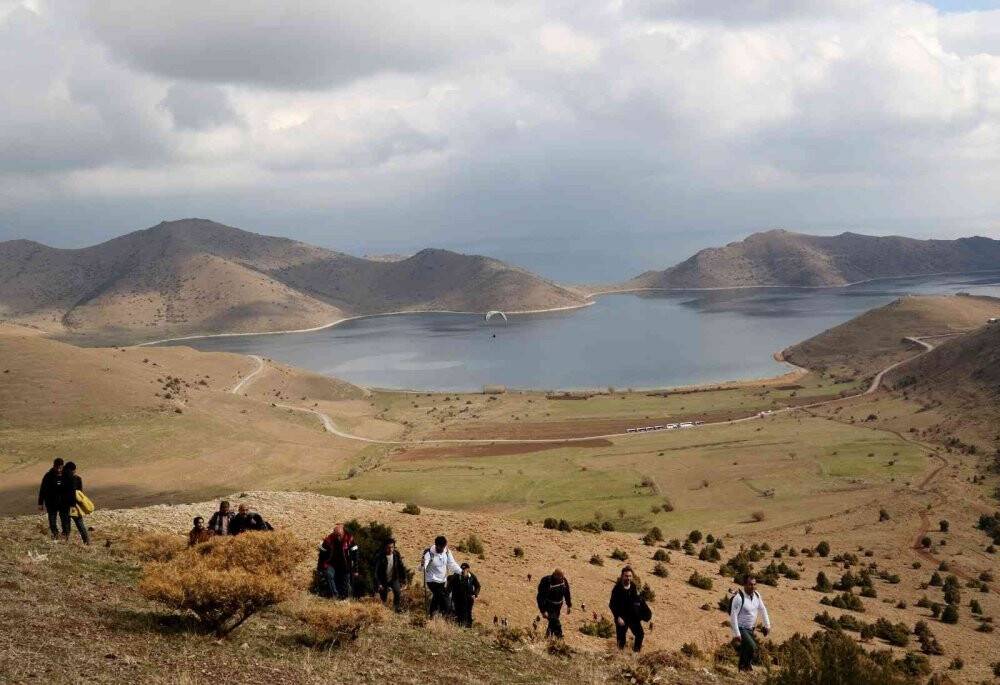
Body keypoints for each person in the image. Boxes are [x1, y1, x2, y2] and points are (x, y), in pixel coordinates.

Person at [729, 573, 771, 672]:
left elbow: (762, 609)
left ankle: (741, 669)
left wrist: (767, 625)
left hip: (750, 628)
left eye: (754, 584)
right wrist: (737, 634)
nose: (753, 587)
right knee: (752, 646)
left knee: (745, 649)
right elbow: (733, 616)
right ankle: (747, 666)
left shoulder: (757, 595)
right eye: (750, 584)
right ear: (744, 584)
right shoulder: (738, 598)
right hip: (741, 627)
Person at [609, 566, 649, 652]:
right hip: (621, 617)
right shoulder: (617, 589)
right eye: (626, 576)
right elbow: (612, 604)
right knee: (621, 640)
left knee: (640, 634)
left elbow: (638, 601)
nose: (628, 578)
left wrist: (643, 614)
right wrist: (618, 617)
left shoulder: (633, 587)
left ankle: (636, 654)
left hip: (632, 617)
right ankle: (619, 657)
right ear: (622, 576)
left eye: (630, 576)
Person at [421, 535, 461, 618]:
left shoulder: (447, 552)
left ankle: (433, 615)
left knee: (437, 597)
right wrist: (423, 564)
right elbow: (423, 567)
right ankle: (443, 615)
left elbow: (452, 564)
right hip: (431, 580)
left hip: (442, 581)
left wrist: (461, 571)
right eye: (441, 547)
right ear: (436, 545)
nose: (442, 549)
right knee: (443, 597)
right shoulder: (429, 553)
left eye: (444, 547)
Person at [319, 524, 359, 599]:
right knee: (329, 574)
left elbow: (355, 555)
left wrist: (356, 570)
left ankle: (344, 598)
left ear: (343, 533)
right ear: (333, 533)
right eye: (336, 535)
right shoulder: (328, 540)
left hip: (345, 565)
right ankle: (335, 595)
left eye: (339, 535)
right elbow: (322, 555)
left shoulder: (350, 539)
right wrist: (320, 568)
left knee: (346, 587)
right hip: (332, 564)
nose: (338, 537)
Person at [373, 538, 408, 612]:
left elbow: (401, 567)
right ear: (385, 547)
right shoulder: (380, 557)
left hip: (393, 578)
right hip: (383, 580)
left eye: (392, 547)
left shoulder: (396, 554)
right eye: (388, 547)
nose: (390, 549)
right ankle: (383, 611)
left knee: (397, 592)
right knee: (384, 596)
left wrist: (404, 578)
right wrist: (379, 584)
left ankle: (396, 608)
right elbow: (375, 572)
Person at [536, 569, 572, 639]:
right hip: (549, 605)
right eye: (560, 577)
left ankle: (547, 638)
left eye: (562, 576)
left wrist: (569, 605)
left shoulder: (564, 581)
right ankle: (559, 638)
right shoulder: (547, 581)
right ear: (555, 575)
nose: (562, 578)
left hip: (558, 606)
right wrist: (543, 611)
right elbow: (540, 597)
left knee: (552, 623)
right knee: (556, 622)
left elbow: (567, 593)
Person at [37, 458, 68, 540]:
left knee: (64, 519)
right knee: (52, 520)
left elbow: (72, 489)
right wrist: (40, 503)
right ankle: (55, 534)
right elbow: (42, 490)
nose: (58, 469)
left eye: (60, 467)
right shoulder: (48, 476)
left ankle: (65, 534)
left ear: (63, 466)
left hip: (63, 502)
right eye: (57, 467)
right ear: (54, 466)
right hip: (51, 502)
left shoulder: (67, 475)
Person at [59, 462, 89, 544]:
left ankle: (65, 544)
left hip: (63, 506)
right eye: (74, 470)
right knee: (80, 525)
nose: (75, 471)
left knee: (66, 528)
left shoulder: (61, 478)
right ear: (73, 470)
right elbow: (80, 494)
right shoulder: (78, 479)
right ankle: (87, 543)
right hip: (74, 506)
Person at [448, 562, 481, 627]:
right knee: (459, 612)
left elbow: (478, 586)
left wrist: (475, 594)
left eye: (465, 569)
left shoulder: (471, 576)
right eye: (462, 569)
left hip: (469, 597)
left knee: (468, 612)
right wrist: (448, 594)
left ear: (468, 569)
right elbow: (450, 585)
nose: (463, 570)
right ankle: (459, 626)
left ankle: (468, 627)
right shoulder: (456, 575)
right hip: (458, 597)